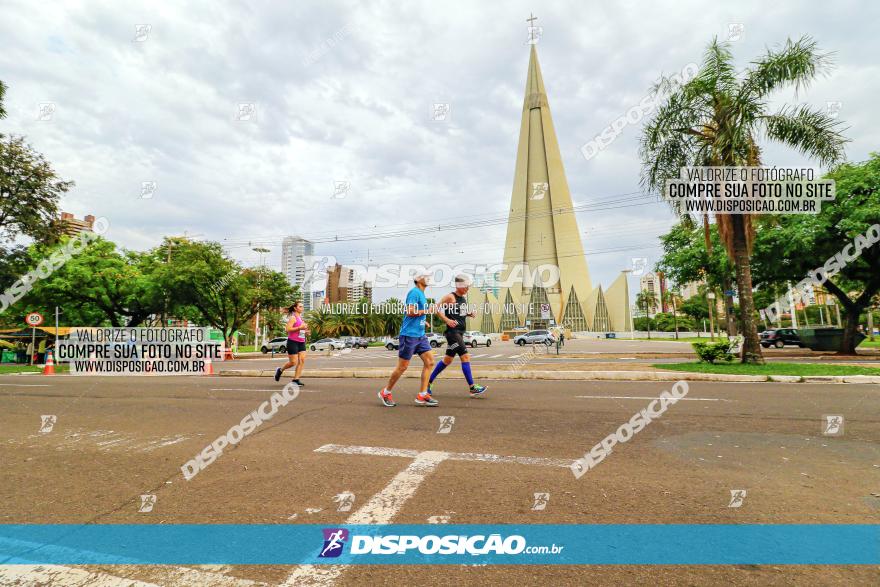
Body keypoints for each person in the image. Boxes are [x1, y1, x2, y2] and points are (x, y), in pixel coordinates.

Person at [378, 273, 438, 407]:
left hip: (420, 335)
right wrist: (427, 311)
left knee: (430, 362)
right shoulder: (414, 292)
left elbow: (418, 314)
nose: (428, 278)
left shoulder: (422, 294)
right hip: (409, 335)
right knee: (402, 367)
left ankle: (422, 395)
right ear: (418, 280)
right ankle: (386, 392)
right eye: (424, 276)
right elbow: (410, 311)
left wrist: (424, 322)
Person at [427, 274, 487, 398]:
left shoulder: (463, 299)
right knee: (465, 356)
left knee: (447, 360)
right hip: (452, 333)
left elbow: (461, 313)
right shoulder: (450, 297)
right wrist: (447, 320)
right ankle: (472, 388)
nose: (467, 289)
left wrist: (469, 314)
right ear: (458, 286)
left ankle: (428, 382)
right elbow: (435, 308)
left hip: (460, 332)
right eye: (466, 287)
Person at [275, 301, 309, 386]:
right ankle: (280, 370)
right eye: (300, 306)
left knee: (302, 360)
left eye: (302, 306)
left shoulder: (301, 319)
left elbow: (301, 331)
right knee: (293, 362)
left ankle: (296, 380)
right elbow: (287, 329)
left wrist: (306, 332)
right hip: (292, 342)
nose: (302, 308)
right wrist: (300, 327)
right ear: (295, 308)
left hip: (301, 342)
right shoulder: (293, 318)